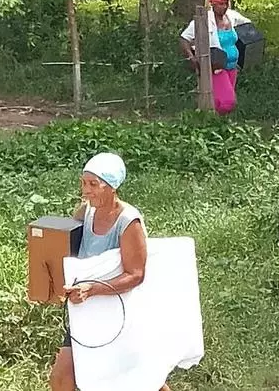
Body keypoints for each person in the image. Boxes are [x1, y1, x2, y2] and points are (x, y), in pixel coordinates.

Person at [49, 153, 171, 391]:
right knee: (62, 377)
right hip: (86, 310)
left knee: (144, 377)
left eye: (93, 184)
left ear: (112, 186)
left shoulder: (128, 221)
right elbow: (70, 249)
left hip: (119, 311)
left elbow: (136, 274)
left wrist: (92, 289)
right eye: (84, 183)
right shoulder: (85, 212)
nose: (86, 190)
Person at [178, 0, 252, 115]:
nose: (224, 7)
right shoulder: (204, 20)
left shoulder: (231, 16)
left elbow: (248, 25)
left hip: (232, 66)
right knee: (228, 102)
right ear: (212, 5)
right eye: (220, 4)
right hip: (216, 66)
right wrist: (191, 57)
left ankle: (214, 120)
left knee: (219, 99)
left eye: (226, 3)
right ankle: (211, 117)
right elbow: (184, 38)